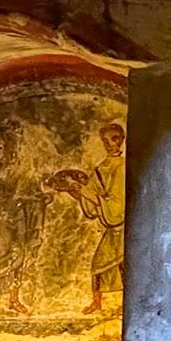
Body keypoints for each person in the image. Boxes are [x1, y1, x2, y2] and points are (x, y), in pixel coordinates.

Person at [48, 123, 125, 314]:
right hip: (112, 227)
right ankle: (97, 303)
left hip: (123, 226)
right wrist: (73, 190)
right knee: (99, 264)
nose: (109, 144)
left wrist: (88, 194)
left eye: (114, 138)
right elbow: (91, 202)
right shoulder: (100, 169)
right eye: (105, 140)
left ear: (122, 139)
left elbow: (118, 204)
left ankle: (125, 304)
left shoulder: (123, 166)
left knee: (124, 263)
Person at [0, 119, 48, 316]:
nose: (14, 147)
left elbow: (36, 197)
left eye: (17, 142)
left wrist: (39, 214)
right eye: (10, 141)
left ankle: (14, 298)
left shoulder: (28, 172)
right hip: (3, 219)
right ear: (5, 143)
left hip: (21, 219)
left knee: (20, 256)